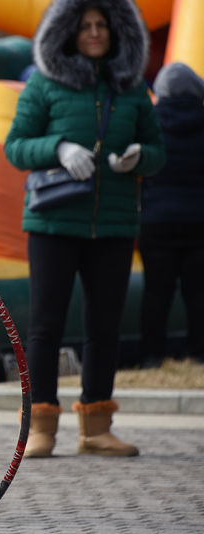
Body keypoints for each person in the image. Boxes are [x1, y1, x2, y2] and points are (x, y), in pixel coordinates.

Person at [4, 0, 166, 457]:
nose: (95, 32)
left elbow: (158, 150)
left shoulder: (133, 89)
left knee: (105, 327)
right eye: (86, 25)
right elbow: (15, 147)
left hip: (113, 224)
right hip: (54, 221)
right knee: (45, 326)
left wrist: (140, 156)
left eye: (103, 25)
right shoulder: (45, 83)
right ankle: (39, 427)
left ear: (117, 31)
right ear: (69, 32)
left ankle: (96, 427)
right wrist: (57, 148)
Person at [139, 62, 204, 368]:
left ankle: (153, 354)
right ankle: (199, 352)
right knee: (198, 292)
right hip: (198, 220)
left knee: (156, 291)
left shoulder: (150, 121)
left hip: (156, 219)